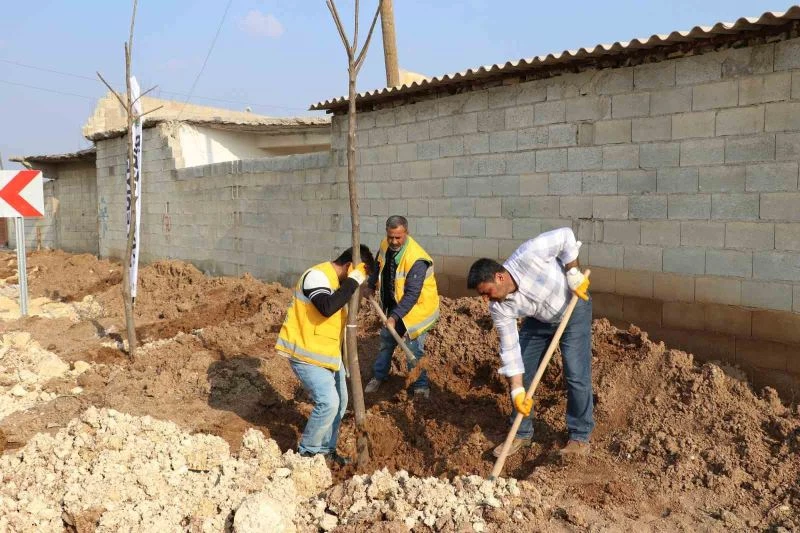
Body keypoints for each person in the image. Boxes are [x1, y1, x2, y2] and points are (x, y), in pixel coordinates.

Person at [466, 227, 594, 457]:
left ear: (499, 277)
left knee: (575, 373)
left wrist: (572, 271)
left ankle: (579, 436)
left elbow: (565, 235)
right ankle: (521, 432)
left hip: (573, 307)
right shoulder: (499, 307)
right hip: (540, 320)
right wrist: (516, 389)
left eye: (487, 292)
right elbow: (510, 347)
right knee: (521, 373)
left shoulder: (529, 254)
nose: (486, 299)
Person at [275, 245, 375, 465]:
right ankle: (307, 453)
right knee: (328, 403)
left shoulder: (340, 284)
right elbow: (327, 307)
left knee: (341, 403)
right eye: (360, 275)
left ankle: (325, 451)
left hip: (328, 355)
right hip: (306, 354)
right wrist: (353, 282)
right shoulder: (316, 276)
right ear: (350, 267)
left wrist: (358, 287)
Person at [364, 216, 440, 398]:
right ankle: (379, 376)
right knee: (386, 341)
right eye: (391, 237)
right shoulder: (385, 245)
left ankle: (420, 385)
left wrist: (394, 317)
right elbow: (378, 265)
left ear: (406, 233)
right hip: (395, 306)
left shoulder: (417, 258)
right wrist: (370, 284)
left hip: (417, 311)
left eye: (398, 237)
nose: (394, 241)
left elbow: (412, 295)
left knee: (413, 349)